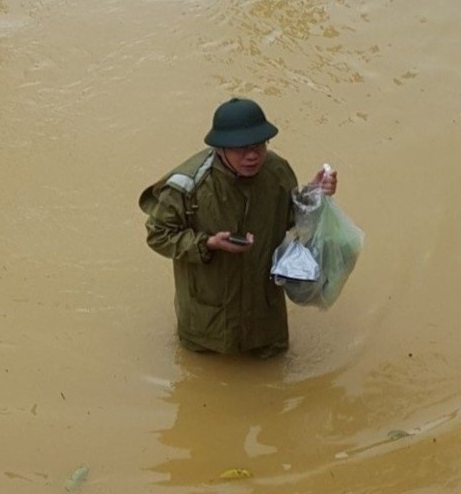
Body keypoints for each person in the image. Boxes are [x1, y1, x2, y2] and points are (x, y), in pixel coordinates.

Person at [138, 97, 337, 357]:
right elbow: (158, 235)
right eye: (241, 148)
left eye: (258, 145)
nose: (252, 156)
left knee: (274, 371)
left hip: (264, 319)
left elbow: (293, 221)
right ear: (220, 148)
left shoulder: (278, 171)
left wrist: (314, 194)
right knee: (200, 373)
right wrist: (208, 243)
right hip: (207, 323)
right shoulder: (188, 185)